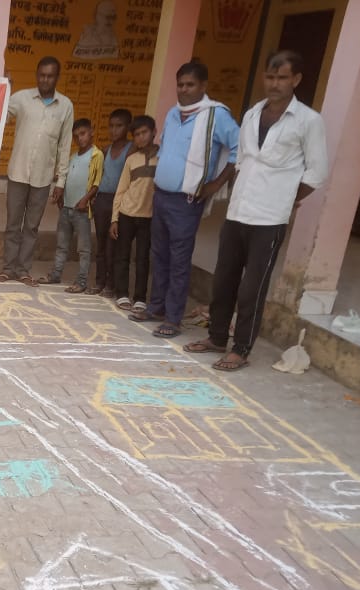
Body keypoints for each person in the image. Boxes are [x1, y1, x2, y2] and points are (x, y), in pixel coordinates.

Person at [184, 51, 327, 370]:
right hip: (238, 212)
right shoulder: (252, 114)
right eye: (270, 77)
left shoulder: (308, 121)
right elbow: (241, 162)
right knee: (224, 281)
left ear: (296, 80)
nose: (274, 84)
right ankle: (216, 337)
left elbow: (317, 173)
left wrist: (287, 199)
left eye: (282, 78)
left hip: (270, 218)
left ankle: (241, 348)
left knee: (252, 288)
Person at [130, 61, 238, 338]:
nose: (184, 90)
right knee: (159, 255)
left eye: (190, 85)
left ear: (203, 86)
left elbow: (240, 150)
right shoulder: (173, 113)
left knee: (179, 259)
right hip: (162, 195)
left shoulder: (216, 116)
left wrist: (215, 184)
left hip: (186, 200)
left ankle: (173, 318)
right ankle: (157, 307)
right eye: (180, 84)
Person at [0, 56, 74, 287]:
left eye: (50, 76)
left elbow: (65, 145)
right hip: (18, 173)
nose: (45, 80)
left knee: (31, 227)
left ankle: (23, 270)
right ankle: (8, 268)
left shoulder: (66, 106)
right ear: (37, 75)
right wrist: (2, 88)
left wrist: (61, 181)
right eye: (42, 75)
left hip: (43, 178)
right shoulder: (22, 98)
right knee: (12, 224)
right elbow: (0, 114)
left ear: (57, 77)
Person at [37, 118, 103, 293]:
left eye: (83, 134)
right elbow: (64, 179)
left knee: (83, 249)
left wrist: (85, 199)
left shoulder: (96, 155)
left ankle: (81, 281)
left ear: (91, 132)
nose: (80, 138)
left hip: (82, 210)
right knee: (61, 245)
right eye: (76, 136)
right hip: (66, 208)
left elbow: (96, 183)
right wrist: (61, 197)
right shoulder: (72, 157)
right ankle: (55, 274)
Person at [109, 115, 159, 312]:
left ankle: (140, 297)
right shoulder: (131, 159)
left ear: (154, 132)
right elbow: (121, 190)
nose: (141, 137)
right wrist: (115, 219)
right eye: (137, 134)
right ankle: (122, 294)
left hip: (149, 216)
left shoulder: (162, 158)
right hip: (127, 213)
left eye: (144, 132)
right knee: (122, 255)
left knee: (143, 258)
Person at [90, 108, 132, 296]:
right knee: (101, 243)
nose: (114, 130)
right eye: (111, 126)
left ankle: (111, 283)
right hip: (103, 200)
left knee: (114, 245)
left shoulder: (131, 150)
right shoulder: (105, 150)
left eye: (119, 126)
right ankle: (100, 281)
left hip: (120, 201)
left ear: (128, 127)